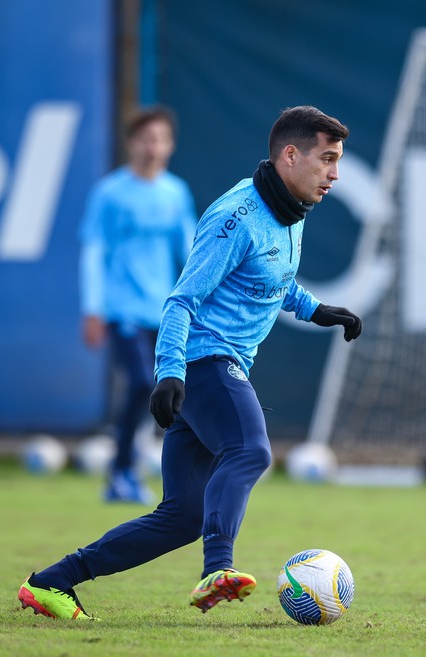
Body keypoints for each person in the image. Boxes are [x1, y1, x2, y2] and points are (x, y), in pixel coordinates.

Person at [18, 105, 362, 620]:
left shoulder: (289, 211)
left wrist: (316, 310)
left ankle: (52, 582)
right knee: (249, 451)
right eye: (327, 160)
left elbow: (269, 280)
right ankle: (216, 568)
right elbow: (181, 300)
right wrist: (169, 373)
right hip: (203, 364)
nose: (335, 174)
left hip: (212, 368)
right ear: (291, 156)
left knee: (181, 517)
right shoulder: (236, 217)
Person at [78, 106, 197, 504]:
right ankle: (122, 471)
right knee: (144, 384)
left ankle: (136, 470)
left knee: (167, 389)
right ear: (132, 143)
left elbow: (191, 250)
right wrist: (92, 307)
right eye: (146, 138)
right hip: (121, 310)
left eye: (160, 138)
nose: (153, 146)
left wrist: (200, 296)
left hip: (164, 311)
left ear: (171, 145)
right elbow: (93, 252)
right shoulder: (110, 193)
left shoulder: (175, 193)